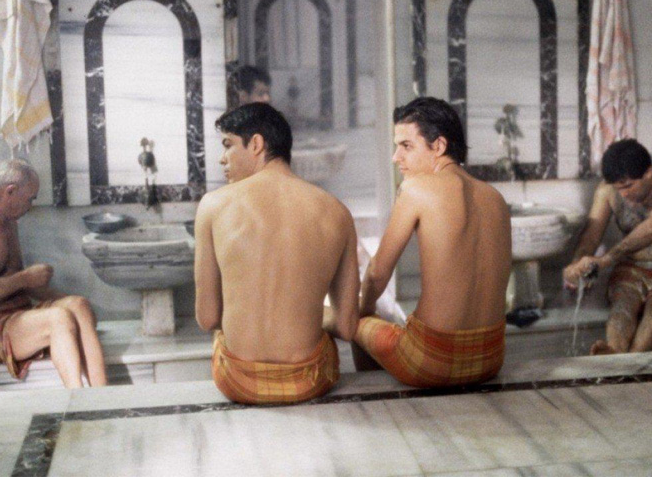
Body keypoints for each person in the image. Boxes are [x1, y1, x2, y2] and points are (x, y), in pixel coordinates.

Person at [195, 103, 359, 404]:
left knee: (221, 339)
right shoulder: (337, 211)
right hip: (308, 380)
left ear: (256, 144)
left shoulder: (213, 205)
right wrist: (307, 314)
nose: (222, 158)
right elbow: (347, 328)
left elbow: (207, 318)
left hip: (238, 382)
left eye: (228, 145)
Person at [353, 97, 511, 388]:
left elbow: (376, 274)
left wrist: (363, 311)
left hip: (432, 361)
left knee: (357, 323)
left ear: (438, 146)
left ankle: (376, 400)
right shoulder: (495, 198)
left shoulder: (416, 188)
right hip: (490, 358)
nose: (396, 157)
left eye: (406, 146)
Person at [0, 158, 107, 388]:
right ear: (10, 191)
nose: (30, 205)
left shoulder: (8, 223)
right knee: (59, 318)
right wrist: (27, 278)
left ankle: (102, 396)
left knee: (78, 306)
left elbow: (19, 284)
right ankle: (78, 399)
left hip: (16, 316)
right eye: (30, 198)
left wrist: (75, 305)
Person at [563, 139, 652, 355]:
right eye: (617, 188)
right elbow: (591, 236)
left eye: (628, 186)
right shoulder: (607, 190)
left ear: (649, 173)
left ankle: (630, 362)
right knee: (623, 302)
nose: (623, 194)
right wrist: (577, 265)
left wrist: (606, 260)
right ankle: (615, 352)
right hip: (633, 268)